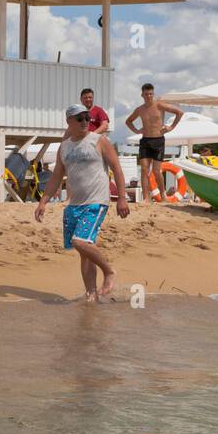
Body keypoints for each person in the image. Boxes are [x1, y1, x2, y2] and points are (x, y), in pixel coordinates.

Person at [34, 104, 130, 303]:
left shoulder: (99, 140)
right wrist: (43, 201)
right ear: (69, 122)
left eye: (87, 118)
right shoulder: (65, 147)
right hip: (74, 204)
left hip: (96, 201)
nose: (85, 122)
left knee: (80, 242)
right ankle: (91, 295)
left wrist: (122, 198)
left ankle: (109, 271)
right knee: (84, 253)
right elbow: (56, 177)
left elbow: (117, 170)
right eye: (80, 119)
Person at [125, 83, 183, 202]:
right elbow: (128, 121)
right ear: (142, 95)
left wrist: (171, 127)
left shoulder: (159, 105)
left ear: (153, 94)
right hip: (145, 140)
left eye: (151, 94)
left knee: (156, 171)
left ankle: (163, 195)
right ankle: (146, 198)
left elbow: (179, 112)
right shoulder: (140, 109)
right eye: (146, 94)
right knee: (144, 169)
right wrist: (137, 130)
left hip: (158, 140)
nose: (148, 96)